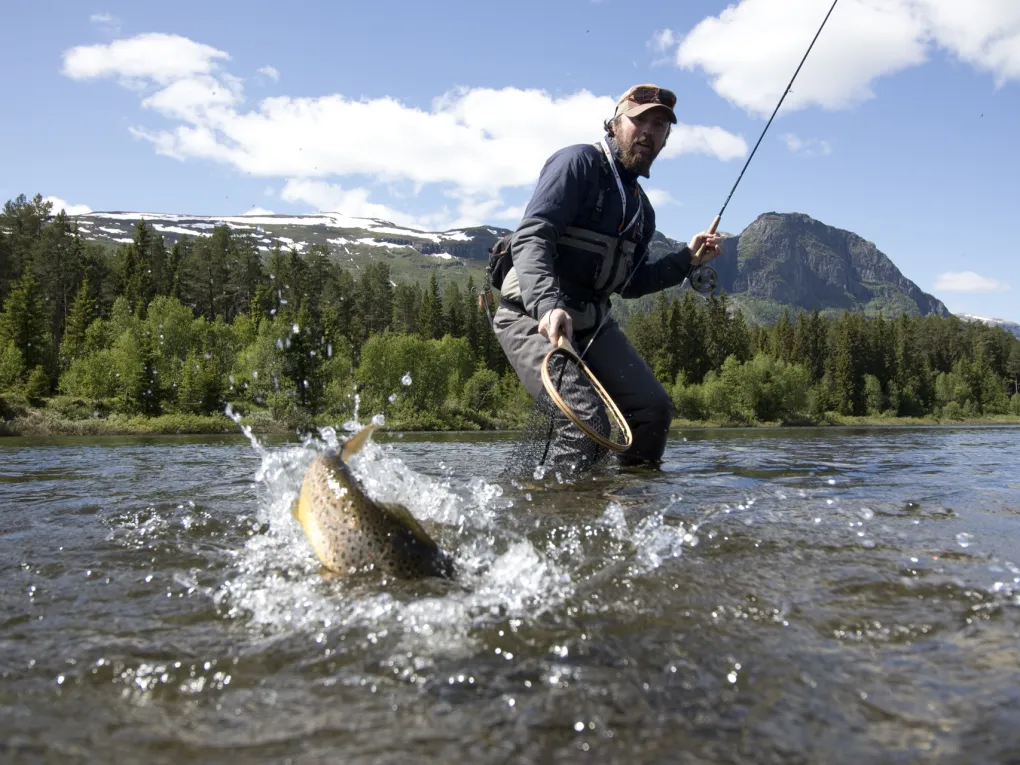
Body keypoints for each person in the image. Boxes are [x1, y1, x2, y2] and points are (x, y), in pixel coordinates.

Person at [492, 83, 722, 468]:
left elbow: (630, 284)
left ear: (666, 139)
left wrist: (686, 260)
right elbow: (533, 235)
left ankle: (627, 511)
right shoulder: (578, 163)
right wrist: (548, 306)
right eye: (639, 121)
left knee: (653, 410)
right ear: (615, 125)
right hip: (529, 315)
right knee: (584, 422)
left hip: (592, 325)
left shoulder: (643, 212)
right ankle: (554, 518)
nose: (649, 131)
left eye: (660, 125)